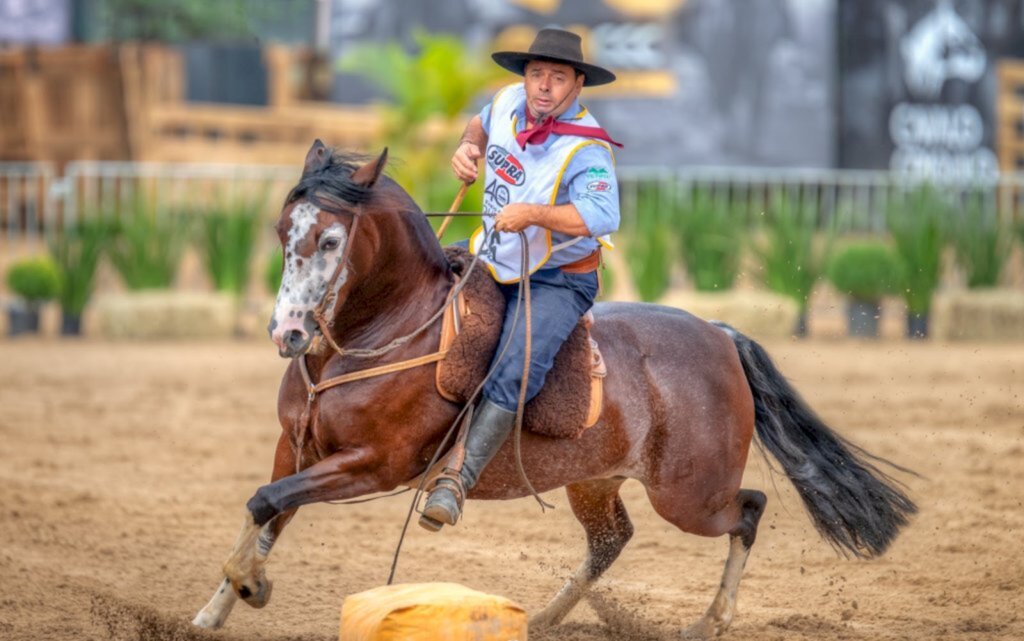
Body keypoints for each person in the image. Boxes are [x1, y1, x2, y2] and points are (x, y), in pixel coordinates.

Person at [421, 28, 622, 531]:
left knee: (518, 365)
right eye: (536, 75)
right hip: (493, 259)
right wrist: (468, 148)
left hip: (559, 279)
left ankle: (458, 480)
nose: (544, 87)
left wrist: (534, 213)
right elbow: (480, 123)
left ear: (578, 84)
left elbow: (601, 215)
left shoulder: (588, 149)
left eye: (557, 77)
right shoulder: (508, 100)